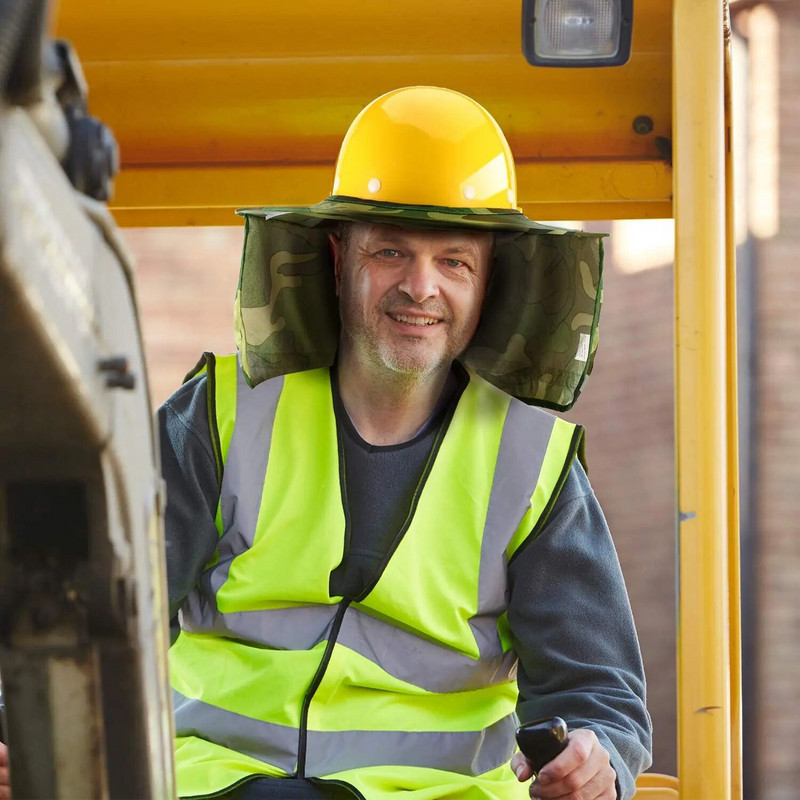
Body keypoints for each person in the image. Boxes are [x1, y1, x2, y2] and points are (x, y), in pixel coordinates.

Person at [0, 85, 651, 800]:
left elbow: (600, 697)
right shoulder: (219, 416)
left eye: (454, 262)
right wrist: (17, 734)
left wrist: (599, 762)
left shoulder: (537, 467)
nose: (420, 287)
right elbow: (87, 599)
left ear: (490, 279)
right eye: (392, 252)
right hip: (218, 785)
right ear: (339, 259)